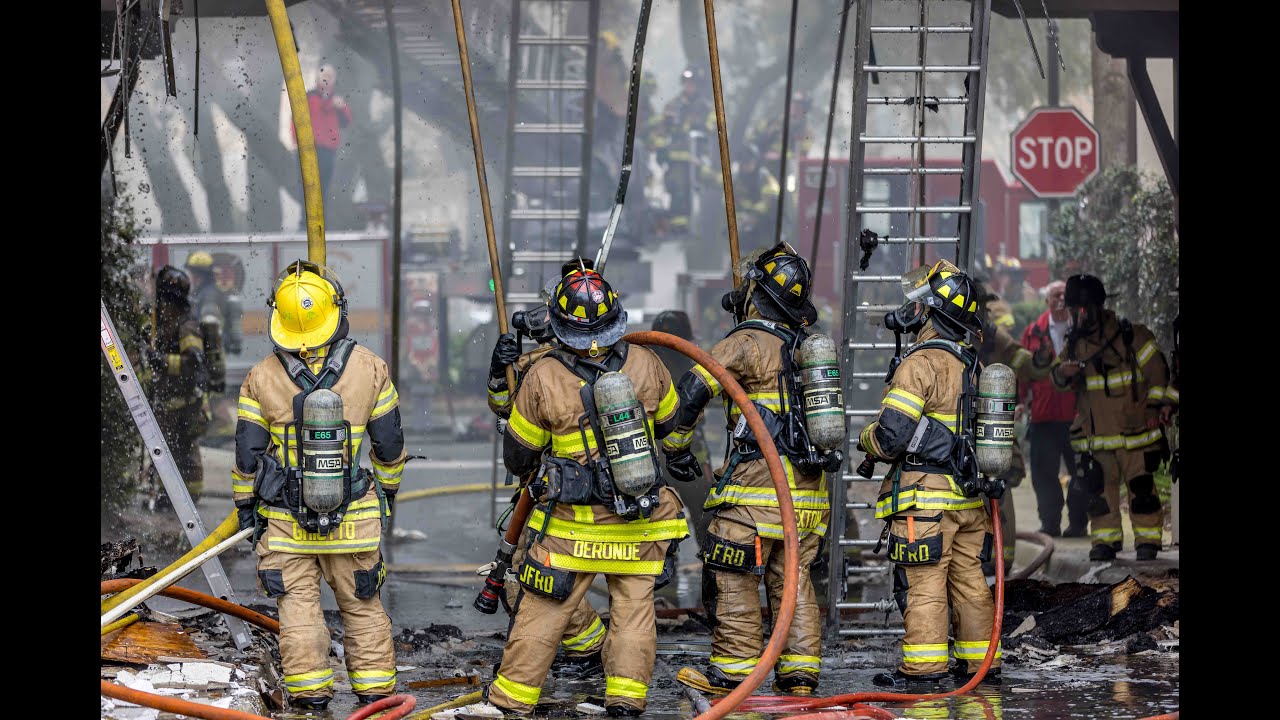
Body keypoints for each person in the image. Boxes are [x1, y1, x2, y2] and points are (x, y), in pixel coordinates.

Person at [481, 263, 687, 717]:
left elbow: (518, 458)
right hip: (642, 522)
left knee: (543, 610)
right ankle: (627, 701)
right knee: (634, 614)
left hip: (573, 529)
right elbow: (674, 433)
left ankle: (510, 701)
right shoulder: (647, 363)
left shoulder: (543, 376)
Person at [667, 241, 841, 697]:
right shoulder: (808, 348)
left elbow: (691, 393)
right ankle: (800, 674)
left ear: (756, 292)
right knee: (795, 584)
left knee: (733, 571)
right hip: (807, 497)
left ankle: (734, 672)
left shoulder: (744, 342)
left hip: (756, 493)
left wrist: (677, 448)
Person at [232, 260, 406, 710]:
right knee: (363, 607)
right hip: (355, 519)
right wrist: (385, 493)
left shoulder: (261, 376)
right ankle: (375, 693)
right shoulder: (371, 369)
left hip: (288, 524)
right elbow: (388, 446)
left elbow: (247, 456)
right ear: (337, 309)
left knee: (299, 613)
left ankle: (311, 698)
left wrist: (246, 508)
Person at [857, 259, 1003, 688]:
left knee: (923, 585)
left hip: (924, 501)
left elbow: (891, 437)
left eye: (919, 304)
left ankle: (923, 672)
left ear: (931, 312)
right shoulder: (972, 365)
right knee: (971, 584)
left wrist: (866, 439)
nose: (911, 311)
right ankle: (981, 666)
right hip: (968, 501)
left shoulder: (920, 364)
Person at [483, 261, 608, 681]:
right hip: (554, 489)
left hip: (559, 495)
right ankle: (587, 646)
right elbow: (504, 406)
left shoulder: (559, 367)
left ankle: (588, 647)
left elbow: (517, 439)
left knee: (525, 576)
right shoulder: (534, 364)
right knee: (538, 573)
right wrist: (498, 372)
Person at [1050, 275, 1173, 562]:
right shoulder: (1074, 345)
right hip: (1098, 438)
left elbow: (1158, 374)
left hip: (1136, 434)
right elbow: (1056, 377)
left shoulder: (1133, 336)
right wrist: (1061, 373)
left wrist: (1155, 407)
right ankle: (1105, 542)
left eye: (1081, 310)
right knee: (1099, 494)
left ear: (1097, 307)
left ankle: (1147, 541)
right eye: (1073, 311)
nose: (1077, 317)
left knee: (1142, 491)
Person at [1021, 280, 1087, 537]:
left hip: (1077, 415)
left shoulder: (1083, 328)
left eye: (1064, 294)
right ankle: (1050, 524)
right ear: (1047, 301)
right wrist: (1018, 400)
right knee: (1043, 475)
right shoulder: (1033, 332)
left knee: (1081, 472)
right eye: (1055, 295)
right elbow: (1024, 370)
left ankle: (1078, 523)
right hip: (1043, 416)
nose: (1060, 298)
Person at [144, 266, 216, 503]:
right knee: (168, 452)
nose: (161, 307)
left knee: (182, 452)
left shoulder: (186, 325)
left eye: (164, 301)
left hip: (184, 404)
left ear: (170, 300)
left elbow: (194, 362)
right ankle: (168, 496)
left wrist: (163, 361)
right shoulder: (169, 322)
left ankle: (186, 499)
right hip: (170, 402)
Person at [648, 310, 714, 551]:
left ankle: (663, 572)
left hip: (654, 454)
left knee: (656, 518)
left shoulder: (645, 365)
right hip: (689, 453)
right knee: (704, 516)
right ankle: (712, 568)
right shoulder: (695, 364)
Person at [291, 64, 352, 189]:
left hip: (328, 151)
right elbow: (295, 120)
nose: (327, 80)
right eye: (324, 76)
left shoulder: (337, 101)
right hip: (307, 149)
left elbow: (346, 122)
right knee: (307, 190)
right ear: (318, 78)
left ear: (334, 80)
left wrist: (343, 107)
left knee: (323, 189)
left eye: (330, 77)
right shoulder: (308, 97)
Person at [733, 144, 781, 249]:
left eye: (749, 162)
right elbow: (733, 201)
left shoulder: (763, 176)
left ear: (755, 161)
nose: (747, 165)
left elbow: (769, 200)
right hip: (744, 221)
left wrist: (754, 216)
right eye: (744, 162)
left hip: (764, 219)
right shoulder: (737, 177)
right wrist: (741, 218)